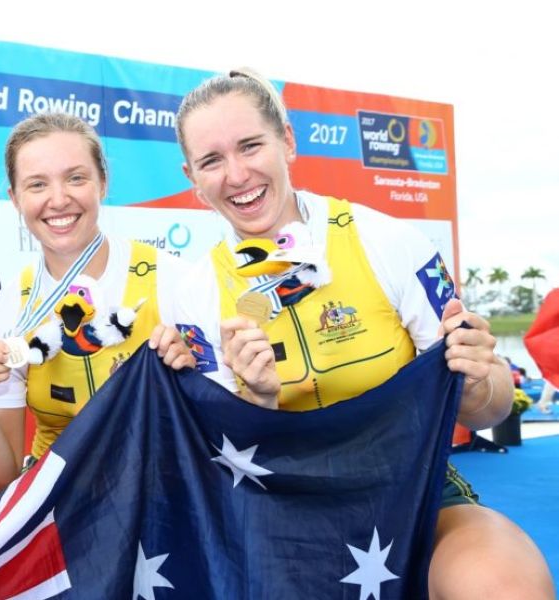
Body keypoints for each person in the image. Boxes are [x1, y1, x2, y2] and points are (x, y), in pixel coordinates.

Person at [170, 68, 553, 598]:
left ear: (287, 141)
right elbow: (219, 459)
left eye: (250, 146)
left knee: (503, 584)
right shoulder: (192, 295)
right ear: (192, 176)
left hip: (412, 491)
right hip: (279, 515)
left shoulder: (390, 243)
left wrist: (479, 380)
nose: (236, 174)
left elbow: (491, 410)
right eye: (212, 160)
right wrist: (257, 400)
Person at [0, 113, 195, 495]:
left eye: (76, 178)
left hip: (161, 496)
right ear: (14, 199)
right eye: (37, 185)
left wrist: (194, 372)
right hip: (62, 506)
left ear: (103, 182)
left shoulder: (173, 280)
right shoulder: (7, 309)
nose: (59, 199)